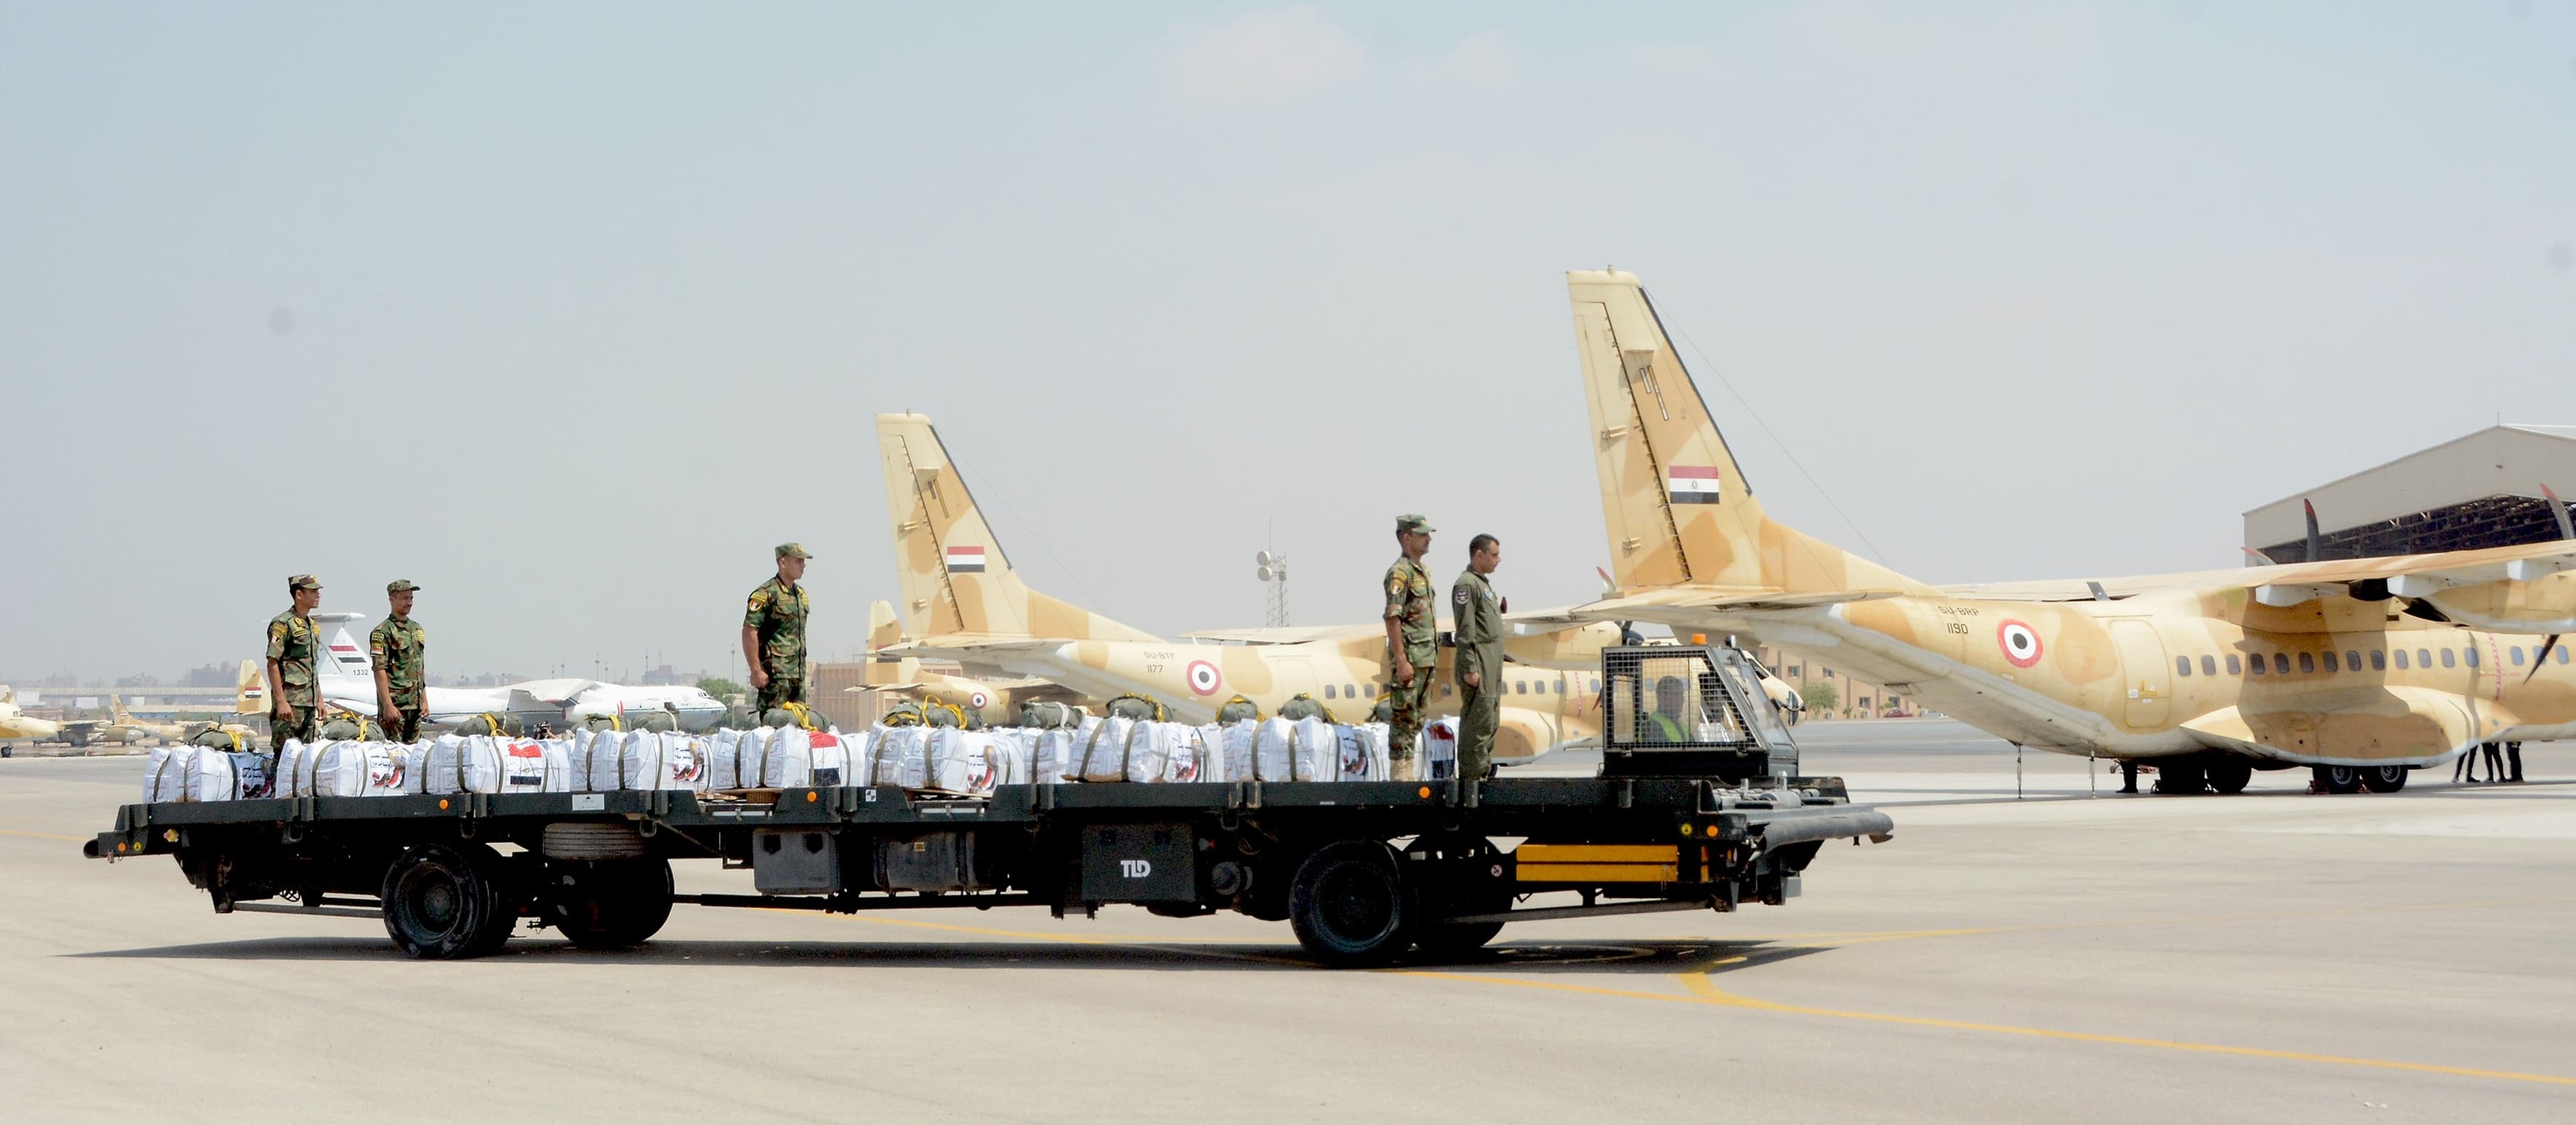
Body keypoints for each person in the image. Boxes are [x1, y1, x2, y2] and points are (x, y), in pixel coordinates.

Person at [1380, 515, 1438, 775]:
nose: (1428, 539)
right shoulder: (1400, 573)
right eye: (1422, 535)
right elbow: (1392, 617)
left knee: (1417, 720)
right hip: (1411, 659)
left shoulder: (1423, 571)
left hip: (1426, 657)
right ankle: (1400, 776)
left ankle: (1409, 773)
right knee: (1403, 719)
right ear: (1407, 538)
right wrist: (1401, 659)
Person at [1451, 533, 1505, 780]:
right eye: (1494, 555)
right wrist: (1470, 667)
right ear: (1479, 555)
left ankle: (1482, 772)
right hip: (1480, 663)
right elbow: (1465, 630)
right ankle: (1472, 778)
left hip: (1490, 662)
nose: (1498, 560)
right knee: (1478, 721)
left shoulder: (1482, 585)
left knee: (1490, 718)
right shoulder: (1467, 585)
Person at [743, 543, 813, 714]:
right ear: (783, 562)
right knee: (774, 723)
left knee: (798, 723)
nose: (803, 566)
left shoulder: (800, 595)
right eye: (798, 561)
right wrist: (756, 670)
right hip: (775, 676)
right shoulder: (766, 594)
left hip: (797, 675)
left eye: (803, 561)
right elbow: (749, 631)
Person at [264, 575, 323, 752]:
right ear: (299, 595)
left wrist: (319, 699)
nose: (318, 595)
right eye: (313, 591)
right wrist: (281, 701)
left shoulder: (312, 625)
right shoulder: (283, 624)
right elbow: (272, 663)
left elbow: (311, 666)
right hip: (290, 702)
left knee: (305, 756)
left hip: (308, 703)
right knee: (284, 756)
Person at [369, 580, 428, 743]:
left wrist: (424, 700)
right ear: (392, 600)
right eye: (404, 598)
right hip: (396, 705)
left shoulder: (416, 629)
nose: (409, 602)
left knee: (415, 752)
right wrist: (388, 705)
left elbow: (419, 667)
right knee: (393, 752)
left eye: (411, 598)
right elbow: (379, 670)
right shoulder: (382, 632)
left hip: (415, 706)